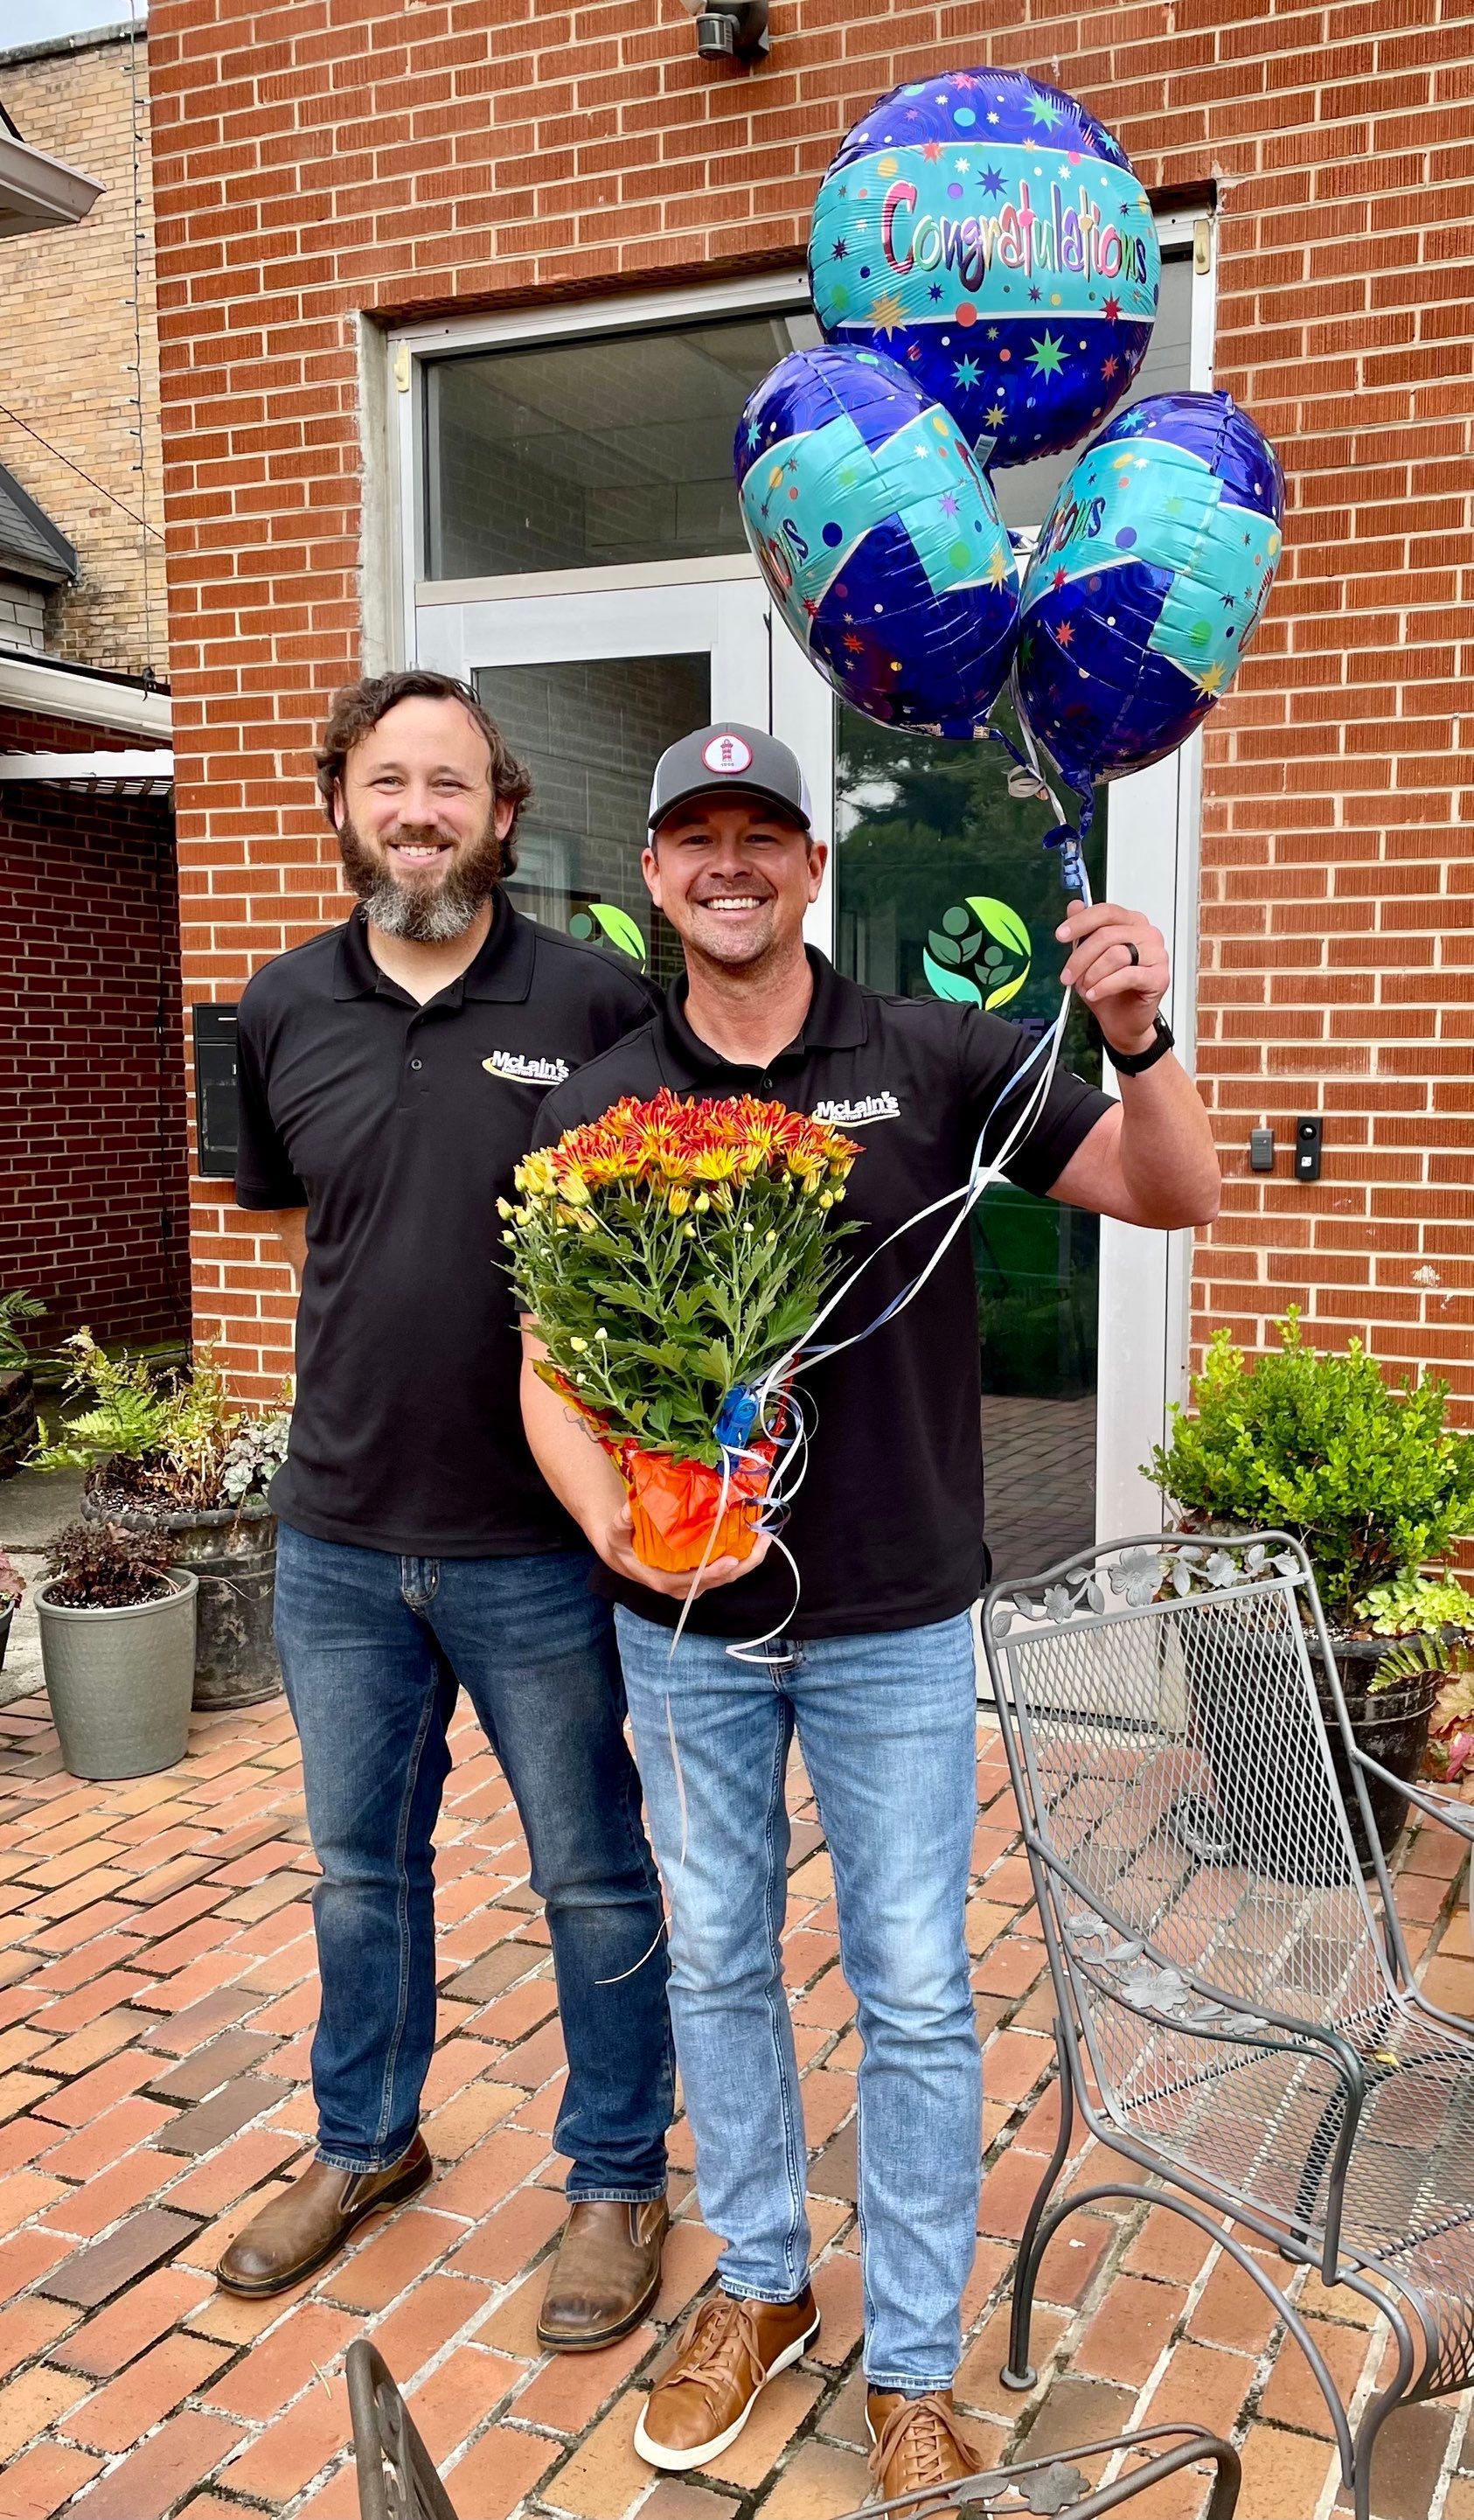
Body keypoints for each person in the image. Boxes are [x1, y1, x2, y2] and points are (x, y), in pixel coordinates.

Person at [521, 723, 1220, 2489]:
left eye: (767, 833)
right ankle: (760, 2283)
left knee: (912, 1986)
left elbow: (1170, 1190)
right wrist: (620, 1533)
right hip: (682, 1626)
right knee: (726, 1960)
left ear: (811, 867)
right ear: (659, 873)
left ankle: (912, 2359)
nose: (732, 864)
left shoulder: (935, 1052)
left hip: (897, 1613)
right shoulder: (600, 1105)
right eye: (699, 837)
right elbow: (542, 1364)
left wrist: (1139, 1040)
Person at [219, 668, 675, 2352]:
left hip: (539, 1540)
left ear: (503, 811)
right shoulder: (276, 1006)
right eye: (387, 780)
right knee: (358, 1869)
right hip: (334, 1533)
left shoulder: (601, 995)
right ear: (341, 802)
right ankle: (368, 2141)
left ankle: (617, 2172)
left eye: (451, 783)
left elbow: (650, 1243)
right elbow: (304, 1233)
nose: (417, 810)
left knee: (593, 1874)